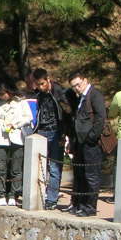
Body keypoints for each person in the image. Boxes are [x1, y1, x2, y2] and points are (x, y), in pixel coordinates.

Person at [66, 72, 107, 216]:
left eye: (78, 84)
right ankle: (81, 204)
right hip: (80, 142)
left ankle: (90, 207)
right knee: (81, 174)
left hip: (91, 143)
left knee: (91, 175)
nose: (77, 88)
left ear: (85, 80)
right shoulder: (81, 98)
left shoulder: (95, 95)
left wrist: (91, 137)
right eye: (74, 86)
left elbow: (101, 118)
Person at [32, 71, 70, 209]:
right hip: (41, 131)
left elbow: (67, 113)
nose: (40, 87)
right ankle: (38, 195)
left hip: (56, 132)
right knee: (39, 165)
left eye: (42, 83)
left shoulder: (59, 91)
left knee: (54, 167)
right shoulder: (37, 93)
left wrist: (63, 134)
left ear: (48, 80)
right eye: (37, 84)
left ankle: (52, 199)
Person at [0, 84, 32, 206]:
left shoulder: (21, 102)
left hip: (17, 137)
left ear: (9, 91)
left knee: (16, 169)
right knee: (1, 168)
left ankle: (13, 194)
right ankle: (1, 194)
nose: (2, 97)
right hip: (0, 138)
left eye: (3, 94)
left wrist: (16, 124)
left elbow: (29, 117)